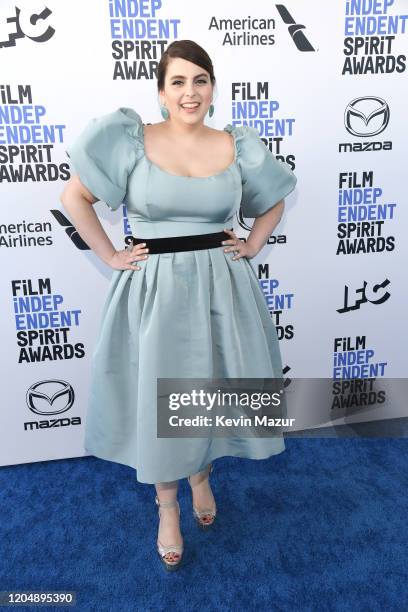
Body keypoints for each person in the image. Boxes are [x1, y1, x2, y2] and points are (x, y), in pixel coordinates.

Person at [60, 39, 297, 572]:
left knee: (211, 386)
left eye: (200, 80)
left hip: (222, 284)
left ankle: (201, 477)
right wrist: (110, 254)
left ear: (212, 88)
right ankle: (167, 507)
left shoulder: (236, 144)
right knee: (161, 400)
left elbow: (274, 198)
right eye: (178, 82)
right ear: (161, 91)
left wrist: (252, 243)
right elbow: (73, 197)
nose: (190, 92)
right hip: (155, 289)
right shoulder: (129, 139)